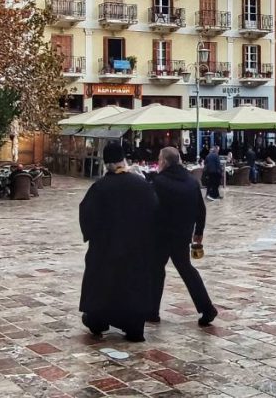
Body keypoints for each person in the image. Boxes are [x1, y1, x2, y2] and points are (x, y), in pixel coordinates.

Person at [78, 141, 157, 342]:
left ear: (106, 164)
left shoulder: (100, 187)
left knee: (103, 285)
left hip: (106, 249)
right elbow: (155, 213)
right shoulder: (142, 185)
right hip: (136, 249)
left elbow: (87, 215)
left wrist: (95, 235)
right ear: (124, 160)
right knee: (133, 285)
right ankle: (133, 326)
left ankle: (99, 320)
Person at [149, 147, 218, 327]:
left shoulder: (159, 181)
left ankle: (152, 310)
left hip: (161, 234)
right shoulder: (191, 181)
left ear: (164, 162)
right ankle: (207, 308)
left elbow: (151, 209)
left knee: (156, 270)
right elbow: (200, 210)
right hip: (183, 234)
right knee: (186, 270)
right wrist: (199, 233)